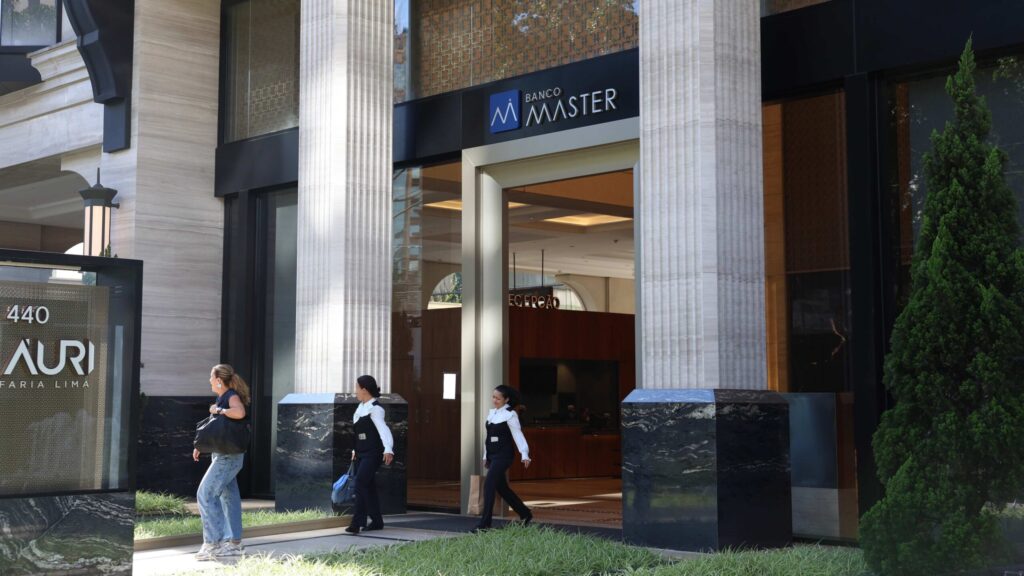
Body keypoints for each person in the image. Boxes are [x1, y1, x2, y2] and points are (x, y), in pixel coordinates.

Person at [193, 364, 250, 561]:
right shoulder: (223, 396)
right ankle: (234, 543)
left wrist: (219, 409)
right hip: (226, 455)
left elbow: (239, 412)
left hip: (227, 458)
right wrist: (201, 446)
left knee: (206, 494)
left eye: (211, 377)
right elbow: (218, 430)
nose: (209, 380)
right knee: (229, 498)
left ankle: (213, 544)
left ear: (219, 380)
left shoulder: (230, 396)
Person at [473, 385, 533, 532]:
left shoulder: (510, 415)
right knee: (502, 489)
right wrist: (486, 456)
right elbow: (488, 437)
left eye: (498, 398)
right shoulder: (492, 413)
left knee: (489, 485)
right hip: (493, 456)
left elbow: (518, 435)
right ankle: (525, 513)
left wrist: (524, 454)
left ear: (506, 400)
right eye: (493, 397)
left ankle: (485, 524)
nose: (494, 400)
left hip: (504, 456)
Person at [345, 375, 395, 535]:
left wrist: (388, 449)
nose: (355, 391)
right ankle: (377, 521)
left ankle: (357, 523)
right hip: (361, 453)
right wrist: (354, 450)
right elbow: (357, 433)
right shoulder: (360, 408)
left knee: (360, 483)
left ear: (364, 390)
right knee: (368, 486)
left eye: (357, 388)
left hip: (373, 453)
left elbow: (383, 430)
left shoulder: (375, 408)